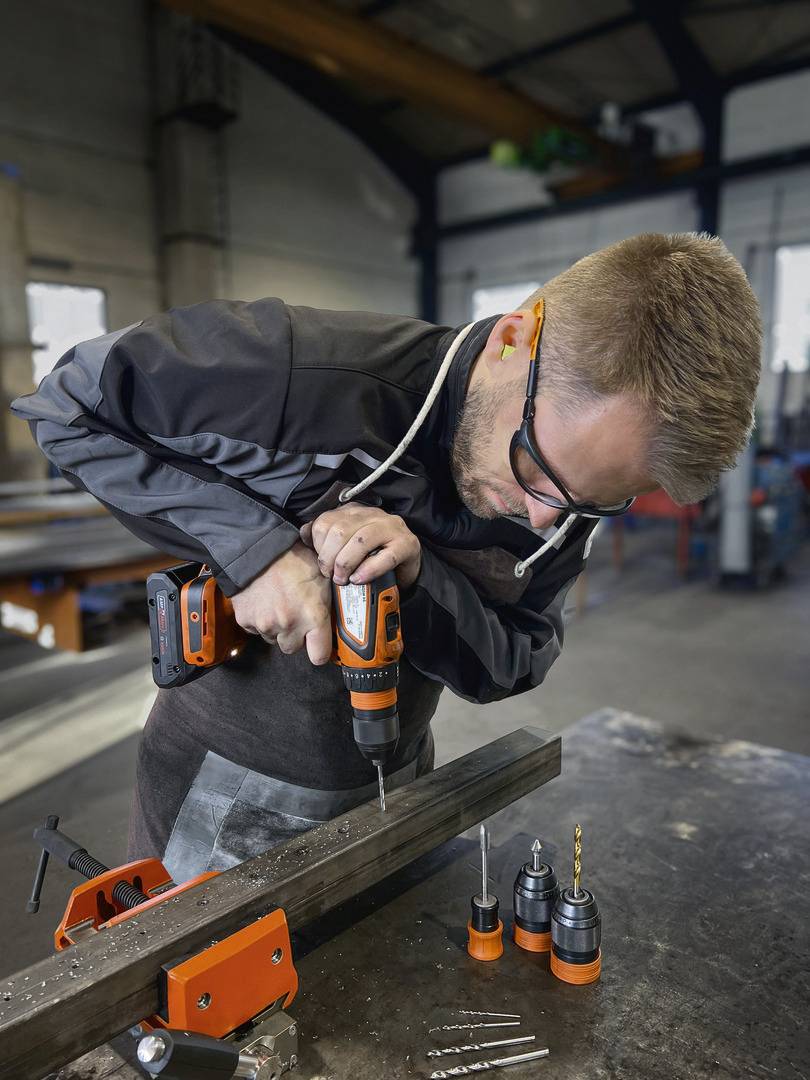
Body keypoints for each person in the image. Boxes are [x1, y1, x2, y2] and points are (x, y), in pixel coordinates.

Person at [12, 232, 762, 881]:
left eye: (592, 503)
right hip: (218, 790)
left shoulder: (569, 494)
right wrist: (256, 550)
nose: (544, 519)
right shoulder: (303, 375)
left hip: (395, 786)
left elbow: (515, 659)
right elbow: (66, 407)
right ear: (514, 340)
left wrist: (420, 579)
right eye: (534, 466)